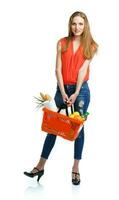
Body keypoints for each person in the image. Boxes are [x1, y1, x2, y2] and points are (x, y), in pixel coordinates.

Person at [24, 11, 98, 185]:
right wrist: (64, 92)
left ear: (85, 25)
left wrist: (75, 92)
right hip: (62, 89)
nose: (77, 27)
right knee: (54, 126)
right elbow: (58, 69)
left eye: (80, 24)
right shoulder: (62, 43)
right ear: (70, 24)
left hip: (81, 91)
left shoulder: (92, 46)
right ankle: (40, 166)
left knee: (78, 128)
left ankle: (75, 168)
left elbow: (82, 70)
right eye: (74, 23)